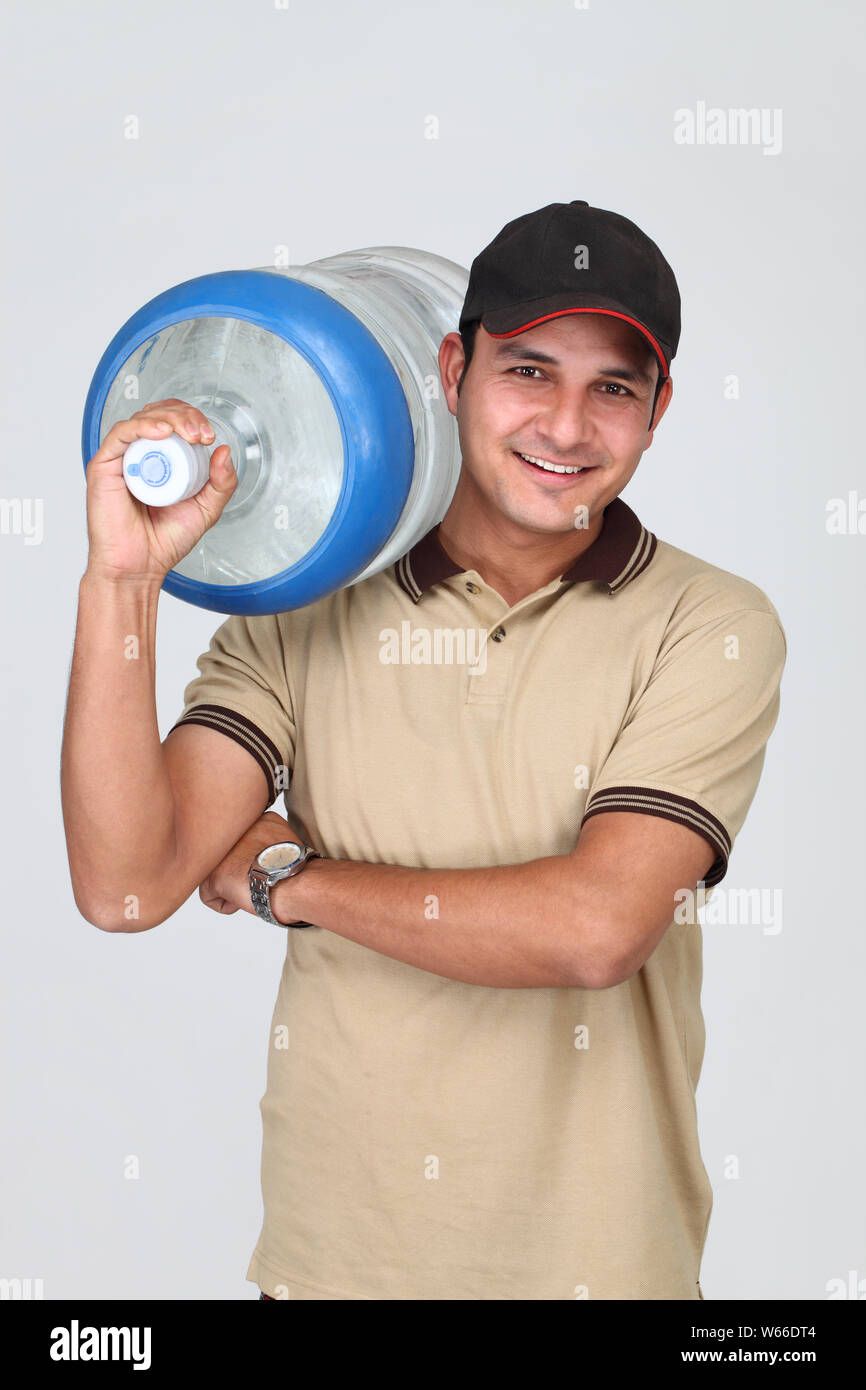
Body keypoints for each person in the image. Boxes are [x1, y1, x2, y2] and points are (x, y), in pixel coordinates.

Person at [61, 199, 786, 1300]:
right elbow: (124, 887)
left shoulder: (707, 622)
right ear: (451, 367)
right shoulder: (300, 605)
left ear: (657, 410)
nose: (565, 427)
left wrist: (289, 880)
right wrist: (123, 581)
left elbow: (593, 930)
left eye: (613, 390)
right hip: (333, 1269)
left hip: (599, 1273)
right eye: (528, 371)